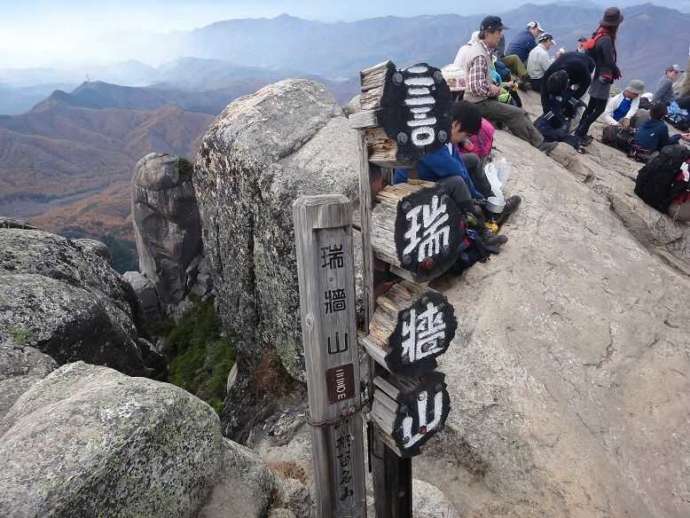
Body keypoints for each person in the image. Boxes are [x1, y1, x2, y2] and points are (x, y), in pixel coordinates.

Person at [458, 16, 553, 152]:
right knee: (516, 114)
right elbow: (476, 87)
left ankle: (537, 139)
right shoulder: (479, 55)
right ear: (488, 32)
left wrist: (499, 86)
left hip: (480, 100)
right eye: (498, 31)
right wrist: (493, 90)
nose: (500, 35)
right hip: (478, 103)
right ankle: (538, 145)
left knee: (521, 112)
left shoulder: (481, 50)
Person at [574, 7, 623, 146]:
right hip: (604, 76)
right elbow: (608, 60)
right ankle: (580, 132)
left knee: (591, 106)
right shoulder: (606, 39)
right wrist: (616, 69)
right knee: (599, 108)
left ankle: (580, 130)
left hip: (597, 74)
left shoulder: (599, 33)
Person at [535, 70, 585, 151]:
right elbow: (572, 110)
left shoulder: (550, 92)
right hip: (556, 125)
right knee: (562, 132)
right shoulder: (569, 94)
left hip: (543, 123)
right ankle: (575, 141)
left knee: (545, 122)